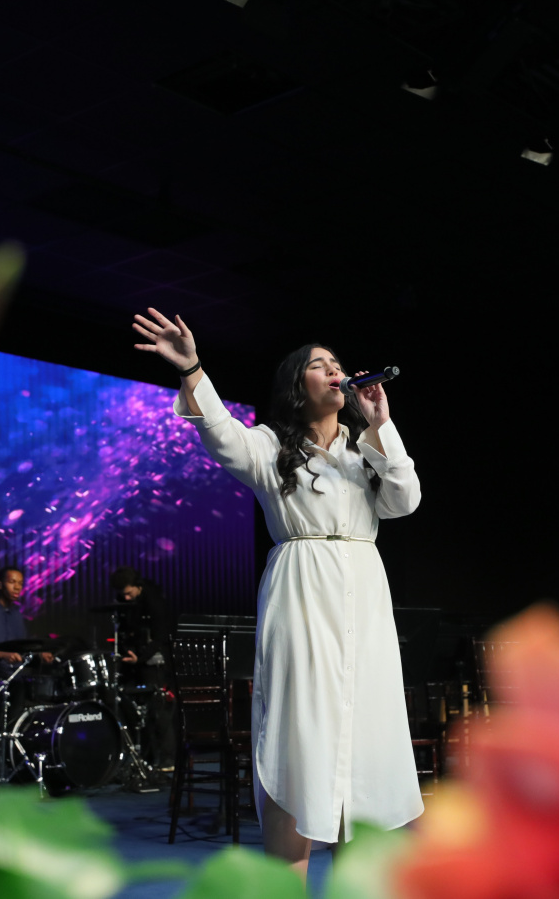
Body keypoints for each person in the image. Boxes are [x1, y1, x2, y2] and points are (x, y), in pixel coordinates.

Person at [132, 307, 422, 878]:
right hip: (302, 593)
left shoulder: (365, 451)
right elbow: (222, 436)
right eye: (320, 365)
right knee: (300, 736)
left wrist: (380, 426)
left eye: (338, 364)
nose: (335, 370)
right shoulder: (270, 447)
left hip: (365, 599)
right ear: (297, 384)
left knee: (365, 736)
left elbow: (405, 501)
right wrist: (191, 368)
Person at [109, 565, 175, 771]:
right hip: (137, 660)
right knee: (139, 713)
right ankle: (146, 757)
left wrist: (141, 656)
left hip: (155, 662)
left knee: (158, 711)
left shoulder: (154, 601)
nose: (126, 598)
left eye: (129, 593)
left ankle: (168, 760)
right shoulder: (127, 601)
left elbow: (161, 636)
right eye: (123, 595)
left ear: (138, 586)